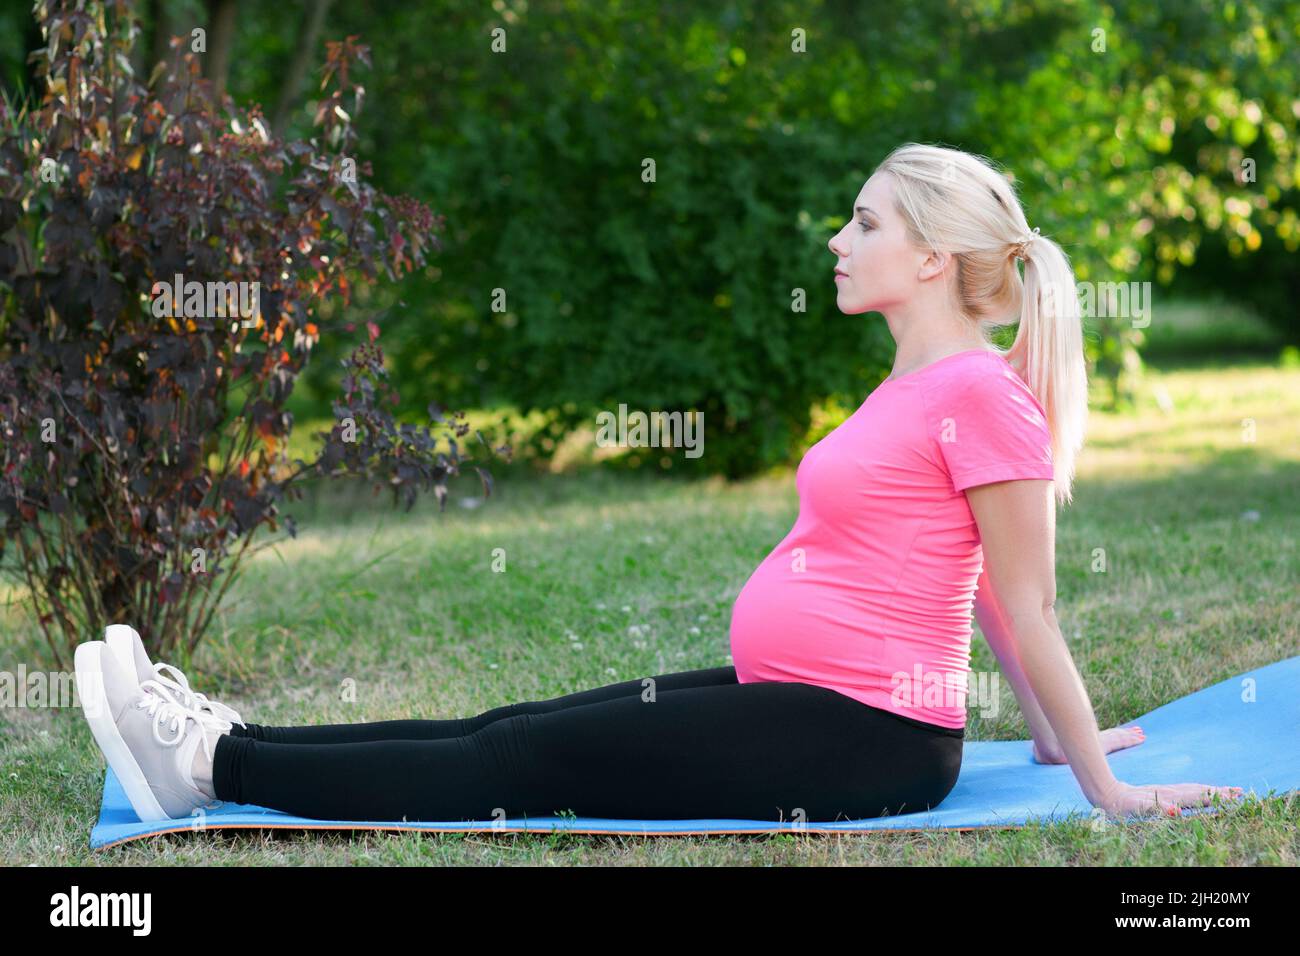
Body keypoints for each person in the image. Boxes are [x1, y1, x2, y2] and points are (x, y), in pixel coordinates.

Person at [75, 142, 1244, 826]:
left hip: (866, 735)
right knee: (511, 723)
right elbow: (984, 583)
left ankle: (202, 768)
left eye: (863, 221)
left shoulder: (981, 394)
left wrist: (1097, 781)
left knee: (520, 769)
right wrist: (1040, 741)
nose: (837, 239)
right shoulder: (914, 385)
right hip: (804, 693)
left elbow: (1022, 600)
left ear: (931, 256)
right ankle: (238, 734)